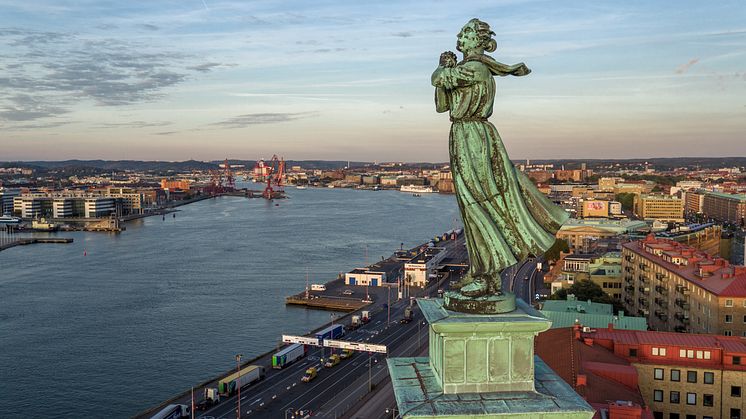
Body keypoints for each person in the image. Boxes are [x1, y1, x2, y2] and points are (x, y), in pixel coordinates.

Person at [432, 19, 568, 298]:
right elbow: (441, 104)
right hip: (463, 134)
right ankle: (482, 271)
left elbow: (438, 78)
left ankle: (485, 278)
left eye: (466, 33)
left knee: (476, 205)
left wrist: (444, 68)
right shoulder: (466, 68)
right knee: (472, 206)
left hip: (473, 137)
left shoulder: (476, 68)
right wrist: (446, 67)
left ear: (478, 41)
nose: (460, 35)